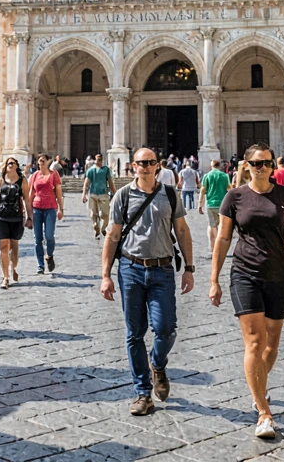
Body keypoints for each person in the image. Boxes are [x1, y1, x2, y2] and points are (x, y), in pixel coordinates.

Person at [209, 144, 284, 440]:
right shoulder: (235, 197)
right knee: (254, 342)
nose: (262, 167)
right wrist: (214, 279)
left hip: (279, 274)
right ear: (246, 165)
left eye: (267, 162)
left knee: (271, 344)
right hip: (245, 273)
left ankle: (259, 388)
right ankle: (264, 412)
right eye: (256, 163)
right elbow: (224, 237)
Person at [100, 148, 196, 417]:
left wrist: (189, 268)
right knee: (134, 333)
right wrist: (105, 275)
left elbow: (182, 230)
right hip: (130, 268)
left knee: (166, 328)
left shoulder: (169, 193)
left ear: (158, 166)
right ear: (133, 166)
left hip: (162, 269)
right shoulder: (123, 195)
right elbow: (112, 235)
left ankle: (157, 364)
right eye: (141, 163)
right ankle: (143, 393)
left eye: (150, 163)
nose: (145, 167)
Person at [0, 156, 33, 288]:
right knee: (4, 248)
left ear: (16, 166)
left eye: (13, 163)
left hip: (16, 217)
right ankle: (5, 277)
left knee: (14, 248)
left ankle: (13, 267)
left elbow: (27, 200)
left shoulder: (22, 181)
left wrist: (29, 217)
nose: (10, 165)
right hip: (1, 217)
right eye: (8, 163)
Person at [30, 154, 64, 274]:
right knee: (37, 239)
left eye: (43, 161)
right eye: (39, 161)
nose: (41, 163)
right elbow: (31, 193)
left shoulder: (54, 175)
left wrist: (61, 209)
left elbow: (58, 192)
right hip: (36, 208)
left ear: (48, 161)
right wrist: (28, 212)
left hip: (50, 208)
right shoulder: (34, 175)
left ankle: (49, 255)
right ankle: (40, 265)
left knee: (49, 236)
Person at [200, 159, 231, 253]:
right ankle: (220, 246)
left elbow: (203, 190)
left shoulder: (207, 175)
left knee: (211, 225)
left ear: (211, 166)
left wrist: (200, 204)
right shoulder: (225, 176)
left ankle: (213, 247)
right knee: (222, 226)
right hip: (222, 204)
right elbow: (229, 189)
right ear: (219, 166)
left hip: (210, 204)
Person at [83, 154, 116, 239]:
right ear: (95, 160)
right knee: (93, 213)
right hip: (93, 194)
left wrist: (115, 193)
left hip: (103, 194)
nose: (99, 161)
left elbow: (110, 182)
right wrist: (84, 195)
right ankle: (96, 229)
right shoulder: (91, 170)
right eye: (97, 159)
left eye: (100, 159)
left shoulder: (106, 170)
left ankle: (103, 228)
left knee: (105, 214)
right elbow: (86, 183)